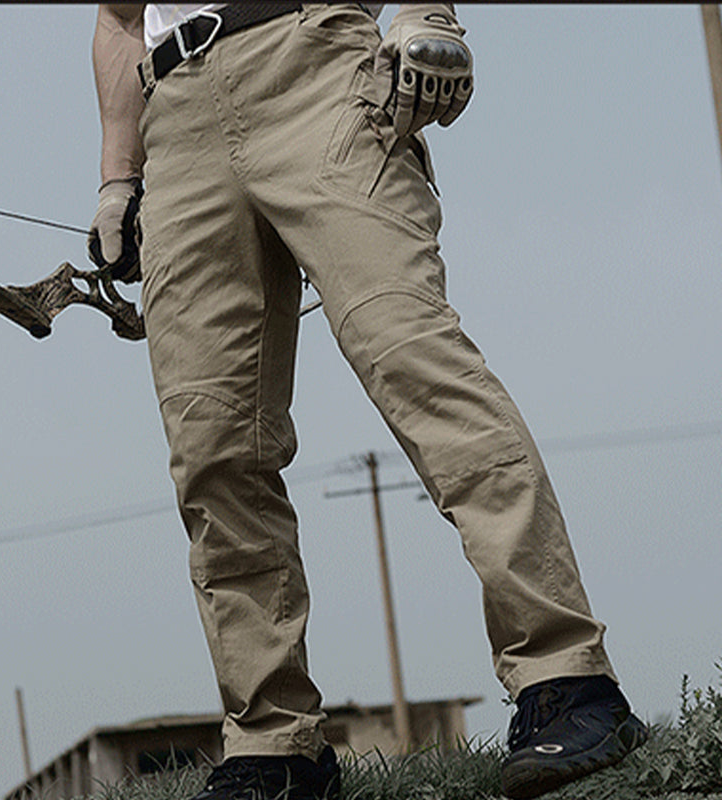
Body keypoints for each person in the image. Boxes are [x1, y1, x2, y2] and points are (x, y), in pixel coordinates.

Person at [88, 4, 648, 799]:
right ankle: (276, 746)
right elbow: (117, 21)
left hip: (314, 63)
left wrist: (426, 16)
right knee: (211, 448)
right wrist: (118, 180)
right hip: (174, 117)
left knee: (415, 360)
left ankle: (566, 677)